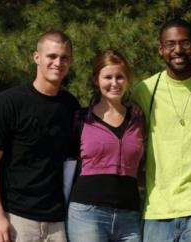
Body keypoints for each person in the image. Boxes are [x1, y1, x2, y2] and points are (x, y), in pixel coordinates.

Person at [131, 18, 191, 242]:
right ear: (160, 49)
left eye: (185, 43)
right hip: (157, 208)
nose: (178, 50)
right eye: (170, 44)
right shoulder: (145, 90)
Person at [0, 31, 79, 242]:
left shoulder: (70, 105)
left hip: (57, 222)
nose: (58, 62)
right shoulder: (7, 103)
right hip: (15, 219)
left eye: (64, 57)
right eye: (52, 56)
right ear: (36, 57)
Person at [66, 50, 145, 242]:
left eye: (120, 77)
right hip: (87, 213)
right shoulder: (81, 118)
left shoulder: (139, 118)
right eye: (107, 77)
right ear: (96, 79)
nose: (114, 83)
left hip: (129, 214)